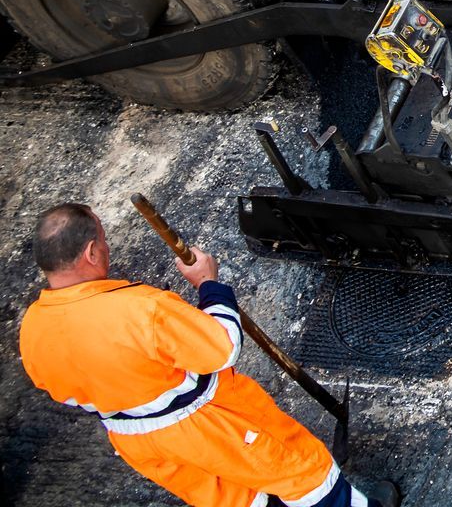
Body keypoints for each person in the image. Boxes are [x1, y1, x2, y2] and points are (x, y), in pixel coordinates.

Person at [17, 203, 396, 507]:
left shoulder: (31, 330)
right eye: (103, 239)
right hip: (206, 424)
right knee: (297, 471)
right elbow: (222, 346)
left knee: (233, 498)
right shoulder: (139, 309)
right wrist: (208, 283)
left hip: (134, 440)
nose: (108, 247)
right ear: (92, 251)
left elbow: (64, 392)